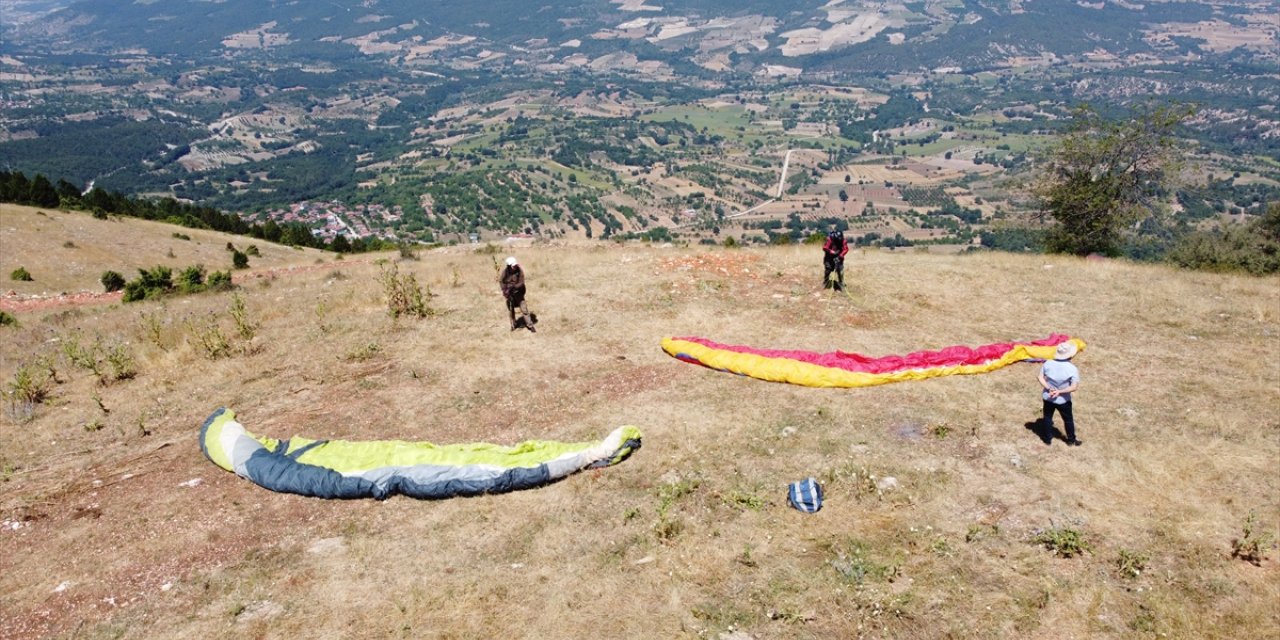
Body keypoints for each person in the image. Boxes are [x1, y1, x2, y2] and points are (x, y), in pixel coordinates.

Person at [1038, 341, 1081, 445]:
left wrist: (1049, 388)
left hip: (1048, 397)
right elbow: (1073, 387)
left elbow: (1040, 377)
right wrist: (1060, 391)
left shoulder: (1048, 363)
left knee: (1047, 417)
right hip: (1063, 400)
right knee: (1068, 420)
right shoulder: (1072, 369)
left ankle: (1047, 439)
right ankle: (1071, 440)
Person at [499, 256, 535, 332]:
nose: (515, 266)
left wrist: (514, 287)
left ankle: (530, 325)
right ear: (509, 266)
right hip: (509, 295)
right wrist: (504, 290)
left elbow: (522, 282)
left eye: (515, 265)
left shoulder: (519, 271)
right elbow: (501, 281)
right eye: (513, 266)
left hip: (518, 293)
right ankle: (513, 325)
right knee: (511, 310)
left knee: (524, 310)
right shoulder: (505, 272)